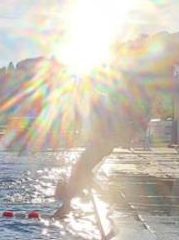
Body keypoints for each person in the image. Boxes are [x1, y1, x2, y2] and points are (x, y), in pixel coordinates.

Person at [53, 84, 154, 218]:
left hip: (101, 144)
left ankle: (100, 197)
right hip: (102, 144)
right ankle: (77, 201)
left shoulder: (99, 104)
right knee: (82, 171)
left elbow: (103, 123)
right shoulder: (99, 103)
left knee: (81, 170)